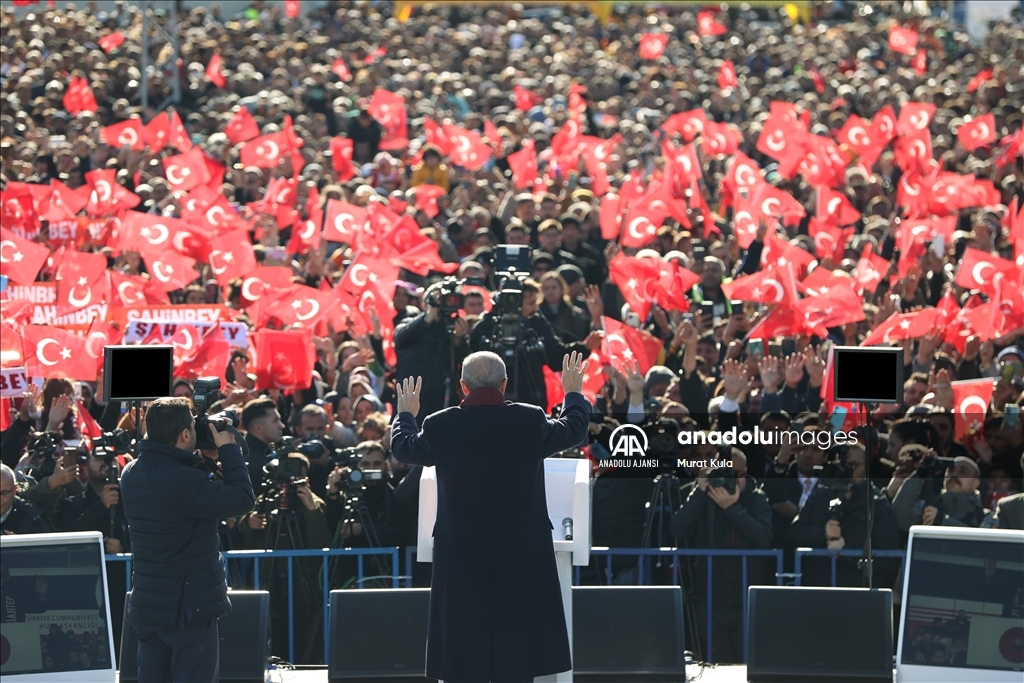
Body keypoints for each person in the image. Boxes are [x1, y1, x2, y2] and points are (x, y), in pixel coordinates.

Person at [390, 351, 592, 683]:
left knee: (463, 649)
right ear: (504, 384)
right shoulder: (529, 419)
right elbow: (574, 430)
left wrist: (406, 414)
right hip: (520, 551)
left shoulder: (439, 424)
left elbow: (404, 448)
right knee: (519, 651)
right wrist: (572, 392)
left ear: (463, 387)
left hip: (462, 553)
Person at [119, 397, 254, 683]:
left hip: (148, 607)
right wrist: (229, 449)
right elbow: (242, 498)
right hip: (187, 611)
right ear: (183, 435)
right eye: (194, 427)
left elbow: (178, 491)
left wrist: (204, 460)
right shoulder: (184, 482)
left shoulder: (130, 472)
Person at [670, 451, 773, 663]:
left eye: (734, 474)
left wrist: (732, 509)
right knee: (717, 665)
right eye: (722, 473)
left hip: (745, 600)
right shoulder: (702, 496)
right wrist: (699, 492)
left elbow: (764, 537)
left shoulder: (756, 497)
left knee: (747, 666)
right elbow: (676, 530)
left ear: (745, 474)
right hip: (709, 598)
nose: (728, 480)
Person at [891, 454, 986, 531]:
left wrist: (941, 520)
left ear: (976, 483)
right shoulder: (927, 507)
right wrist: (920, 474)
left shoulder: (984, 516)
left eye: (963, 472)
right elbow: (899, 518)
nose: (954, 474)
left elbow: (980, 543)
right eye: (951, 469)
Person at [241, 397, 286, 489]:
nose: (282, 426)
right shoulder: (252, 464)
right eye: (275, 421)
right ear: (258, 428)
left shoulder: (265, 452)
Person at [0, 463, 50, 534]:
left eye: (4, 493)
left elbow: (45, 543)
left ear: (14, 490)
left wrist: (20, 543)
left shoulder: (30, 519)